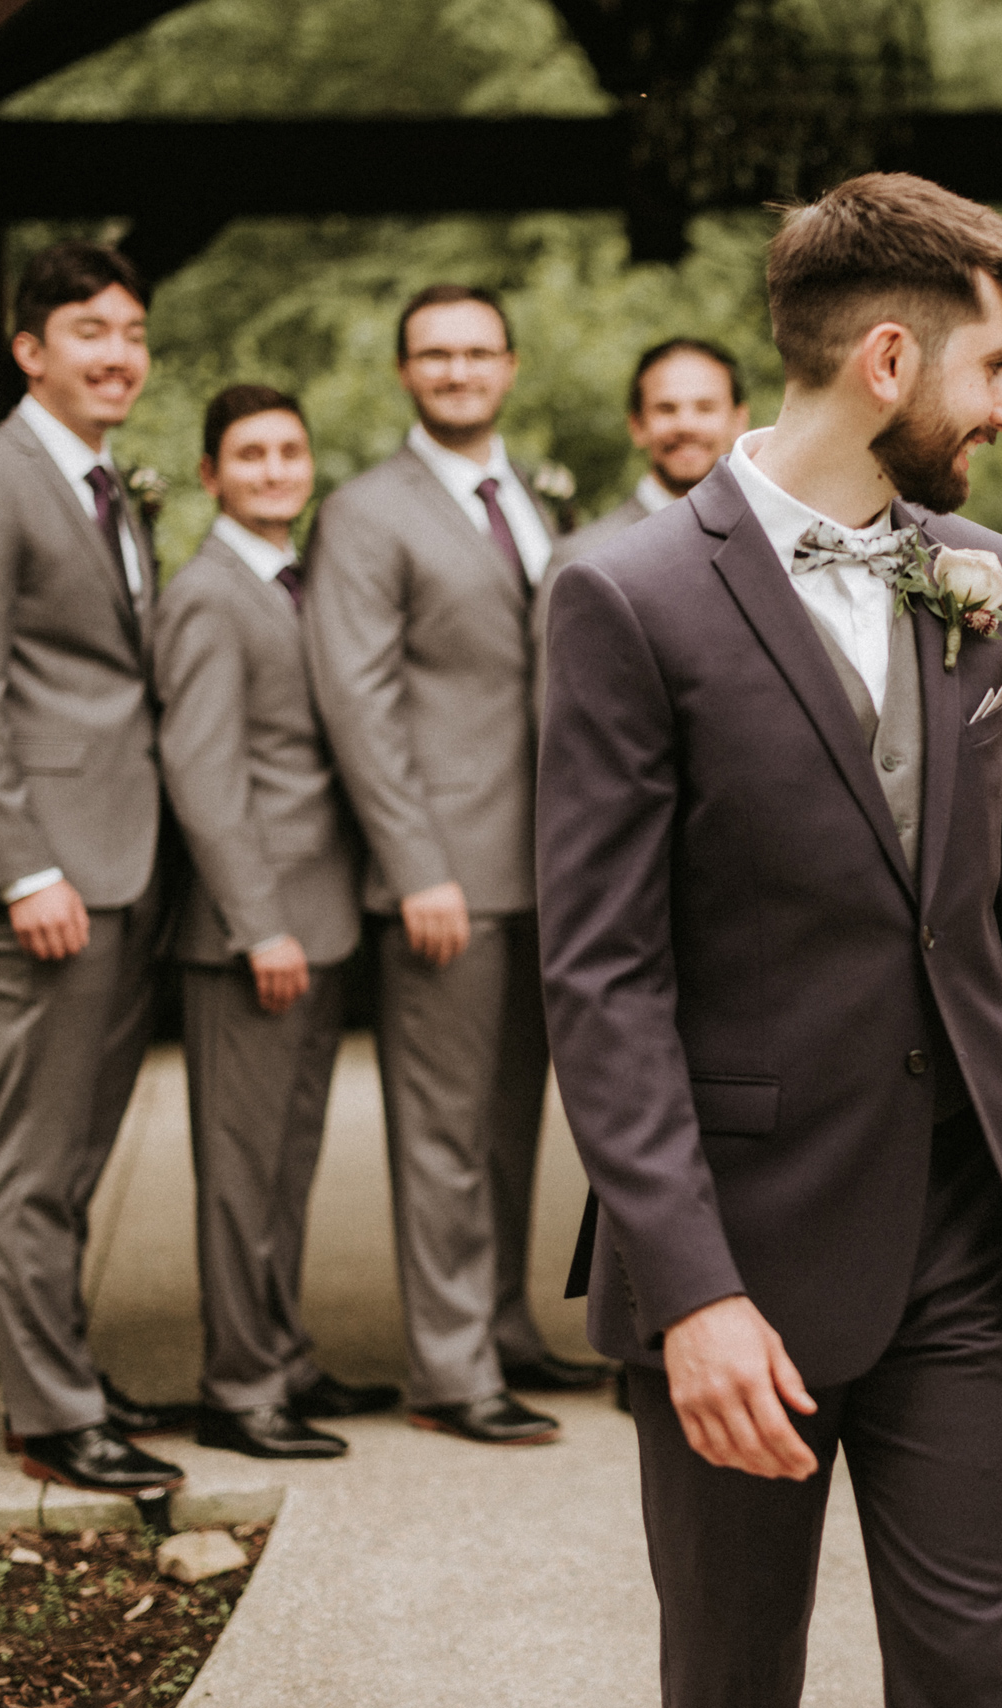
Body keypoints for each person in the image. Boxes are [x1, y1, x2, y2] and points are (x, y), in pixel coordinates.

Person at [536, 172, 1002, 1708]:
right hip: (738, 1256)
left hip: (967, 1234)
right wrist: (691, 1292)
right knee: (733, 1675)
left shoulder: (991, 583)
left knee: (978, 1673)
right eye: (999, 367)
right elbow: (604, 979)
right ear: (888, 362)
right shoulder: (624, 598)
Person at [0, 241, 194, 1495]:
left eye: (132, 329)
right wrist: (24, 868)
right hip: (46, 877)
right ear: (31, 350)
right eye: (89, 329)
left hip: (121, 863)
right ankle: (49, 1412)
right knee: (39, 1152)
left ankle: (62, 1370)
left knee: (77, 1147)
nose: (118, 351)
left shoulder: (105, 487)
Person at [305, 283, 605, 1449]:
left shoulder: (531, 499)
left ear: (511, 366)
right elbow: (358, 700)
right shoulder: (366, 513)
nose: (458, 370)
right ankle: (446, 1366)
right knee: (438, 1131)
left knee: (504, 1121)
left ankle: (499, 1329)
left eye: (478, 351)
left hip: (543, 866)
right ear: (404, 375)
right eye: (434, 354)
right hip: (443, 876)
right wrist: (414, 863)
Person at [153, 385, 399, 1460]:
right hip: (254, 933)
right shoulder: (207, 595)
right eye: (248, 455)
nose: (272, 470)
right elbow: (203, 776)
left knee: (288, 1164)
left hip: (319, 917)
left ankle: (284, 1357)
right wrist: (259, 926)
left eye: (288, 451)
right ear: (210, 474)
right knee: (241, 1168)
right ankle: (238, 1385)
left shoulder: (299, 585)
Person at [538, 339, 750, 724]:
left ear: (739, 420)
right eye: (666, 409)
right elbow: (560, 720)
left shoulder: (775, 542)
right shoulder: (581, 558)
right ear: (637, 425)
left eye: (705, 408)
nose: (685, 425)